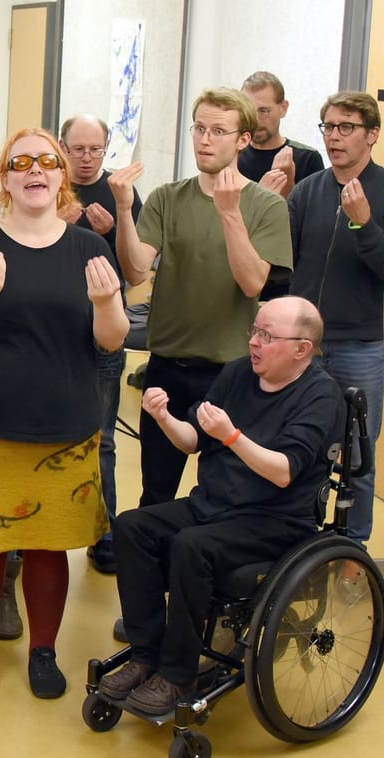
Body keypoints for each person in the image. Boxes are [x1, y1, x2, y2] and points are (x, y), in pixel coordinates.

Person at [0, 129, 129, 700]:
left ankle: (43, 652)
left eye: (46, 160)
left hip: (64, 428)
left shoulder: (89, 249)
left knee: (50, 548)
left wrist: (104, 303)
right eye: (20, 163)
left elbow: (112, 340)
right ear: (7, 179)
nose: (34, 170)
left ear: (60, 174)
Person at [99, 296, 345, 715]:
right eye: (255, 331)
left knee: (192, 546)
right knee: (130, 527)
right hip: (214, 504)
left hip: (275, 521)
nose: (255, 343)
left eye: (268, 336)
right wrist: (164, 418)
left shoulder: (321, 397)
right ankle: (146, 653)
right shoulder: (237, 374)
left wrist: (232, 436)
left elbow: (283, 471)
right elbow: (193, 439)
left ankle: (177, 676)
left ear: (302, 348)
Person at [110, 87, 292, 509]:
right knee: (155, 491)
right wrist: (123, 210)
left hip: (232, 374)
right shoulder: (167, 198)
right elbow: (136, 269)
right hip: (167, 366)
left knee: (228, 492)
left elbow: (252, 284)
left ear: (243, 140)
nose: (205, 140)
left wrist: (230, 212)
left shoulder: (266, 206)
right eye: (199, 129)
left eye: (218, 131)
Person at [288, 91, 384, 545]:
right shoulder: (309, 189)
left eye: (346, 127)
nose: (334, 137)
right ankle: (295, 536)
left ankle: (353, 549)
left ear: (372, 135)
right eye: (328, 127)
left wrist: (363, 223)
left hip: (362, 346)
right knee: (300, 446)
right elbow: (284, 261)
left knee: (356, 459)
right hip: (304, 344)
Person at [60, 113, 144, 574]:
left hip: (103, 335)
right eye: (78, 149)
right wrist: (60, 221)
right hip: (52, 334)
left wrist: (115, 228)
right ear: (62, 146)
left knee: (103, 440)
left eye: (96, 149)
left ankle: (106, 533)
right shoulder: (47, 187)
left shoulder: (120, 193)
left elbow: (136, 271)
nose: (87, 159)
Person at [237, 71, 326, 199]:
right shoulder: (233, 156)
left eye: (264, 111)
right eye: (249, 110)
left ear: (283, 108)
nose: (255, 119)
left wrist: (289, 186)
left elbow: (313, 215)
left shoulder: (307, 158)